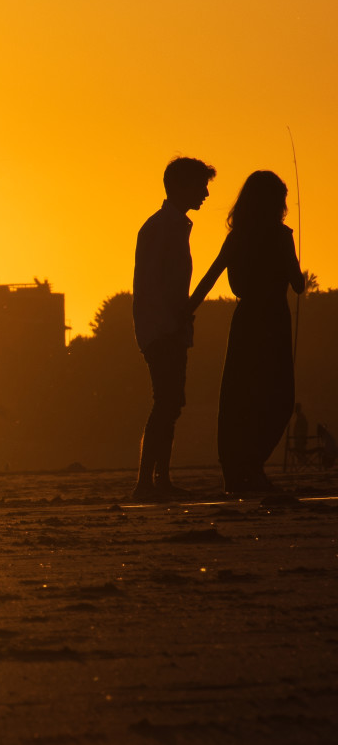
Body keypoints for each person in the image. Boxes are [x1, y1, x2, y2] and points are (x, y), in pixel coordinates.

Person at [190, 170, 305, 496]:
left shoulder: (237, 236)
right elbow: (297, 285)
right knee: (279, 399)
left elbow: (210, 278)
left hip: (245, 323)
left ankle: (235, 472)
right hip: (274, 322)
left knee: (237, 399)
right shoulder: (281, 237)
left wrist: (186, 311)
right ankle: (252, 467)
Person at [131, 155, 217, 502]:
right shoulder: (160, 228)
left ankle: (159, 480)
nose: (206, 195)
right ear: (181, 186)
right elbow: (152, 285)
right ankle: (146, 483)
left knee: (171, 403)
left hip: (169, 328)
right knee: (166, 401)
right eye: (201, 186)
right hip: (162, 329)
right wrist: (170, 323)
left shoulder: (172, 226)